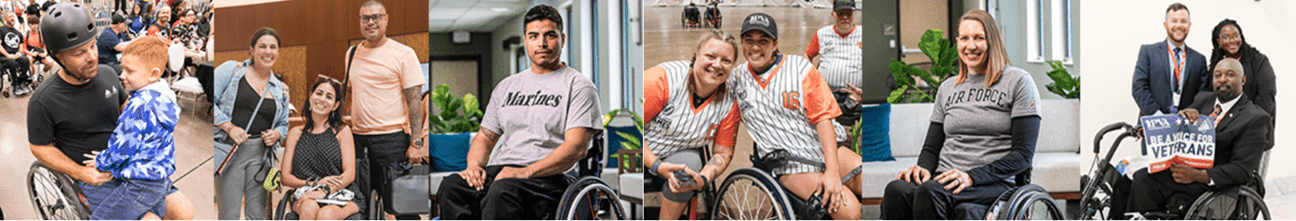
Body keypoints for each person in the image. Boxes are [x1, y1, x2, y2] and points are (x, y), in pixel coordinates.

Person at [436, 4, 602, 219]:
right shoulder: (507, 87)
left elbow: (576, 148)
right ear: (525, 40)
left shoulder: (578, 86)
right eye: (534, 36)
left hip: (551, 177)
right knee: (452, 187)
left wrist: (525, 171)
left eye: (549, 35)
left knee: (502, 192)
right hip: (504, 171)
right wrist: (473, 167)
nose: (541, 43)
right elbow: (485, 138)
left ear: (562, 39)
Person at [28, 3, 193, 220]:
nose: (92, 57)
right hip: (94, 173)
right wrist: (81, 172)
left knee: (183, 210)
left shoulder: (108, 74)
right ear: (58, 57)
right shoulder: (43, 100)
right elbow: (40, 148)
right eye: (79, 53)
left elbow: (132, 113)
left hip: (131, 163)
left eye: (93, 46)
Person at [880, 9, 1042, 220]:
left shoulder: (1019, 81)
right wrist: (923, 169)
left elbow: (1023, 155)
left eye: (979, 38)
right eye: (964, 38)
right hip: (945, 178)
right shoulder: (948, 88)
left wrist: (970, 177)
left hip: (992, 182)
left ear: (992, 41)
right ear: (957, 42)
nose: (971, 46)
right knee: (896, 190)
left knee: (931, 192)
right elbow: (932, 147)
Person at [728, 12, 862, 220]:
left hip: (823, 147)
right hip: (788, 162)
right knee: (850, 210)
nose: (755, 47)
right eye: (749, 41)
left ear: (775, 44)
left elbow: (822, 118)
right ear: (742, 43)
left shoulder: (800, 68)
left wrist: (832, 171)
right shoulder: (735, 79)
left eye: (763, 41)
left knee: (868, 180)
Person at [1125, 58, 1270, 216]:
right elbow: (1181, 130)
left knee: (1144, 179)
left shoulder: (1255, 117)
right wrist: (1181, 117)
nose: (1222, 79)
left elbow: (1242, 169)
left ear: (1243, 80)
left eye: (1230, 75)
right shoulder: (1203, 100)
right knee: (1124, 178)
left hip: (1211, 181)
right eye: (1217, 75)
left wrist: (1200, 175)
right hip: (1183, 166)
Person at [643, 30, 741, 219]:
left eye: (726, 60)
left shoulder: (730, 102)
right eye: (710, 56)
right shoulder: (661, 80)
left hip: (675, 156)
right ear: (696, 55)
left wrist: (702, 179)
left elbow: (723, 153)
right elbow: (631, 130)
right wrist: (656, 165)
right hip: (637, 151)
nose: (717, 65)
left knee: (691, 164)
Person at [345, 1, 427, 219]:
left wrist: (416, 143)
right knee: (361, 205)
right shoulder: (351, 54)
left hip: (392, 141)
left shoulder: (403, 53)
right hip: (358, 141)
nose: (370, 22)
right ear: (360, 22)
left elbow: (415, 101)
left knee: (404, 208)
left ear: (386, 19)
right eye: (365, 18)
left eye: (376, 17)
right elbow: (354, 93)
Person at [85, 36, 178, 220]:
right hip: (161, 179)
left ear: (153, 74)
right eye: (123, 68)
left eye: (130, 71)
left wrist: (102, 161)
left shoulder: (139, 105)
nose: (122, 75)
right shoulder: (166, 97)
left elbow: (124, 146)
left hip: (140, 183)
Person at [212, 27, 291, 220]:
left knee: (257, 214)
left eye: (273, 47)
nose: (268, 51)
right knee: (229, 213)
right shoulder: (232, 70)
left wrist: (278, 134)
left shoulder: (281, 89)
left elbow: (284, 124)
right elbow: (210, 103)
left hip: (261, 155)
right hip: (230, 151)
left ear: (278, 52)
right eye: (262, 46)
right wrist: (228, 127)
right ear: (252, 50)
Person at [280, 77, 365, 220]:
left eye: (329, 96)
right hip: (305, 193)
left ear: (335, 105)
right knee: (309, 207)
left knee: (325, 214)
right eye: (319, 93)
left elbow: (349, 173)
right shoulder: (295, 133)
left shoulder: (342, 131)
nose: (322, 99)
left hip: (341, 193)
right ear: (310, 96)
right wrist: (315, 184)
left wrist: (324, 191)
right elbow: (285, 177)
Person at [1208, 19, 1275, 151]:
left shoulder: (1258, 61)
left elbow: (1267, 95)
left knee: (1253, 171)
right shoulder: (1216, 65)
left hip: (1255, 130)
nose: (1232, 41)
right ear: (1218, 42)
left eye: (1236, 36)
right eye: (1226, 37)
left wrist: (1252, 124)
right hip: (1226, 134)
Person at [1132, 3, 1209, 117]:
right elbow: (1138, 88)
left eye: (1183, 21)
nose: (1179, 25)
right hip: (1153, 124)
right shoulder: (1148, 52)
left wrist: (1189, 114)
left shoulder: (1199, 59)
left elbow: (1202, 95)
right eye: (1174, 21)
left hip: (1186, 127)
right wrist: (1158, 117)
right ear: (1165, 25)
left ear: (1189, 25)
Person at [805, 0, 863, 126]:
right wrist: (811, 77)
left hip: (856, 94)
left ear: (854, 14)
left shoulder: (864, 34)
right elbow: (808, 55)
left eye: (849, 13)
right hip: (826, 93)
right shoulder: (822, 34)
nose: (845, 17)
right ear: (833, 15)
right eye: (840, 13)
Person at [0, 11, 32, 95]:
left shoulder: (18, 33)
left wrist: (19, 53)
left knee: (25, 59)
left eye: (13, 16)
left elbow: (21, 47)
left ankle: (21, 81)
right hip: (4, 57)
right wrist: (8, 55)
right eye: (10, 16)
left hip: (15, 56)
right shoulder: (1, 29)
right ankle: (15, 83)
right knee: (11, 61)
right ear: (5, 19)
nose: (12, 18)